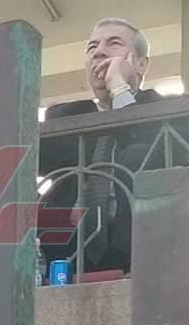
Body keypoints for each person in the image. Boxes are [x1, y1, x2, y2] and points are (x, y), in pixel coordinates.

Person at [41, 18, 181, 272]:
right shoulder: (64, 115)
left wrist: (119, 88)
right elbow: (23, 155)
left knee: (138, 154)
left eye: (113, 43)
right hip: (70, 255)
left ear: (141, 64)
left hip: (144, 252)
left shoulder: (169, 107)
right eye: (92, 47)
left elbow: (156, 150)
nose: (99, 51)